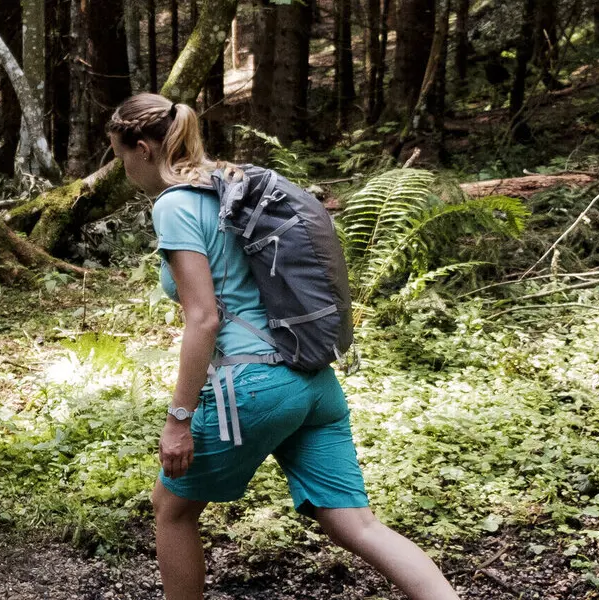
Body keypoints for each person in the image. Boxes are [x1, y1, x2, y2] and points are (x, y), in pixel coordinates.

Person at [107, 93, 461, 600]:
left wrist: (178, 419)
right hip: (313, 379)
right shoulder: (230, 184)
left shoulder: (175, 205)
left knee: (172, 508)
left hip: (252, 385)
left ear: (142, 148)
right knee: (358, 524)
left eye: (120, 157)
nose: (124, 171)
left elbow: (203, 319)